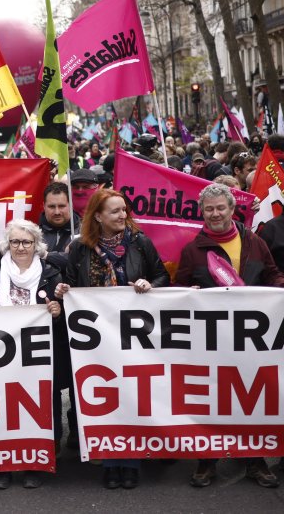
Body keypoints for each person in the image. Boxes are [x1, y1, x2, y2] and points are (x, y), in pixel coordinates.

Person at [176, 184, 284, 489]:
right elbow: (179, 290)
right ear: (202, 212)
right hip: (210, 343)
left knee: (252, 401)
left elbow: (271, 274)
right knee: (210, 402)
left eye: (220, 208)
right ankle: (207, 462)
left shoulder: (254, 242)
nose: (215, 214)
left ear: (231, 209)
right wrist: (188, 294)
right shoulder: (192, 251)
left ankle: (255, 461)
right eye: (209, 209)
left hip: (252, 340)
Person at [60, 188, 168, 488]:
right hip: (97, 340)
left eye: (124, 210)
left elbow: (162, 277)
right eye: (115, 211)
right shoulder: (80, 248)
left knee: (131, 395)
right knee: (104, 397)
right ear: (98, 216)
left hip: (134, 336)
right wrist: (63, 291)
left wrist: (150, 283)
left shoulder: (140, 242)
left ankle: (130, 462)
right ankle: (109, 461)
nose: (123, 216)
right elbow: (71, 283)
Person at [0, 221, 62, 490]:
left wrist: (58, 311)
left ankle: (33, 464)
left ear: (36, 245)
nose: (21, 247)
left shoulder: (52, 272)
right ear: (7, 245)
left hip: (38, 353)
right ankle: (3, 466)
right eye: (15, 242)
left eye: (26, 242)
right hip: (2, 353)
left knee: (37, 407)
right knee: (2, 407)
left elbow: (63, 313)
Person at [39, 181, 75, 253]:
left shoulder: (85, 233)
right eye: (51, 206)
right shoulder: (33, 235)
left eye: (61, 206)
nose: (57, 212)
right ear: (44, 206)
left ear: (71, 205)